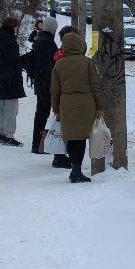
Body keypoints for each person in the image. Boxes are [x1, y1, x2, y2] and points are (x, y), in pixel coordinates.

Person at [51, 29, 104, 183]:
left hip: (66, 104)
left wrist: (56, 109)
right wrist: (100, 107)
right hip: (86, 104)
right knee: (80, 138)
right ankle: (77, 171)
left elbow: (55, 90)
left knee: (71, 137)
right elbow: (95, 87)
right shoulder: (87, 62)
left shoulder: (59, 64)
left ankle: (74, 169)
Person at [0, 16, 25, 147]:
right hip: (11, 78)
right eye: (16, 26)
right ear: (12, 27)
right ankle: (9, 136)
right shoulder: (9, 41)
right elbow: (14, 60)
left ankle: (1, 133)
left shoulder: (1, 38)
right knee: (11, 108)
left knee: (3, 107)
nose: (17, 29)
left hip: (2, 78)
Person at [50, 25, 77, 168]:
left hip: (66, 96)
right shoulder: (62, 56)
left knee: (65, 126)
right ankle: (59, 156)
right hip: (65, 97)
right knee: (64, 127)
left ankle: (62, 155)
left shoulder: (61, 54)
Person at [31, 15, 58, 153]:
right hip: (46, 83)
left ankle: (37, 144)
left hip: (40, 81)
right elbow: (49, 64)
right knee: (44, 114)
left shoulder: (40, 40)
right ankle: (39, 145)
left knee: (41, 113)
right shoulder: (48, 42)